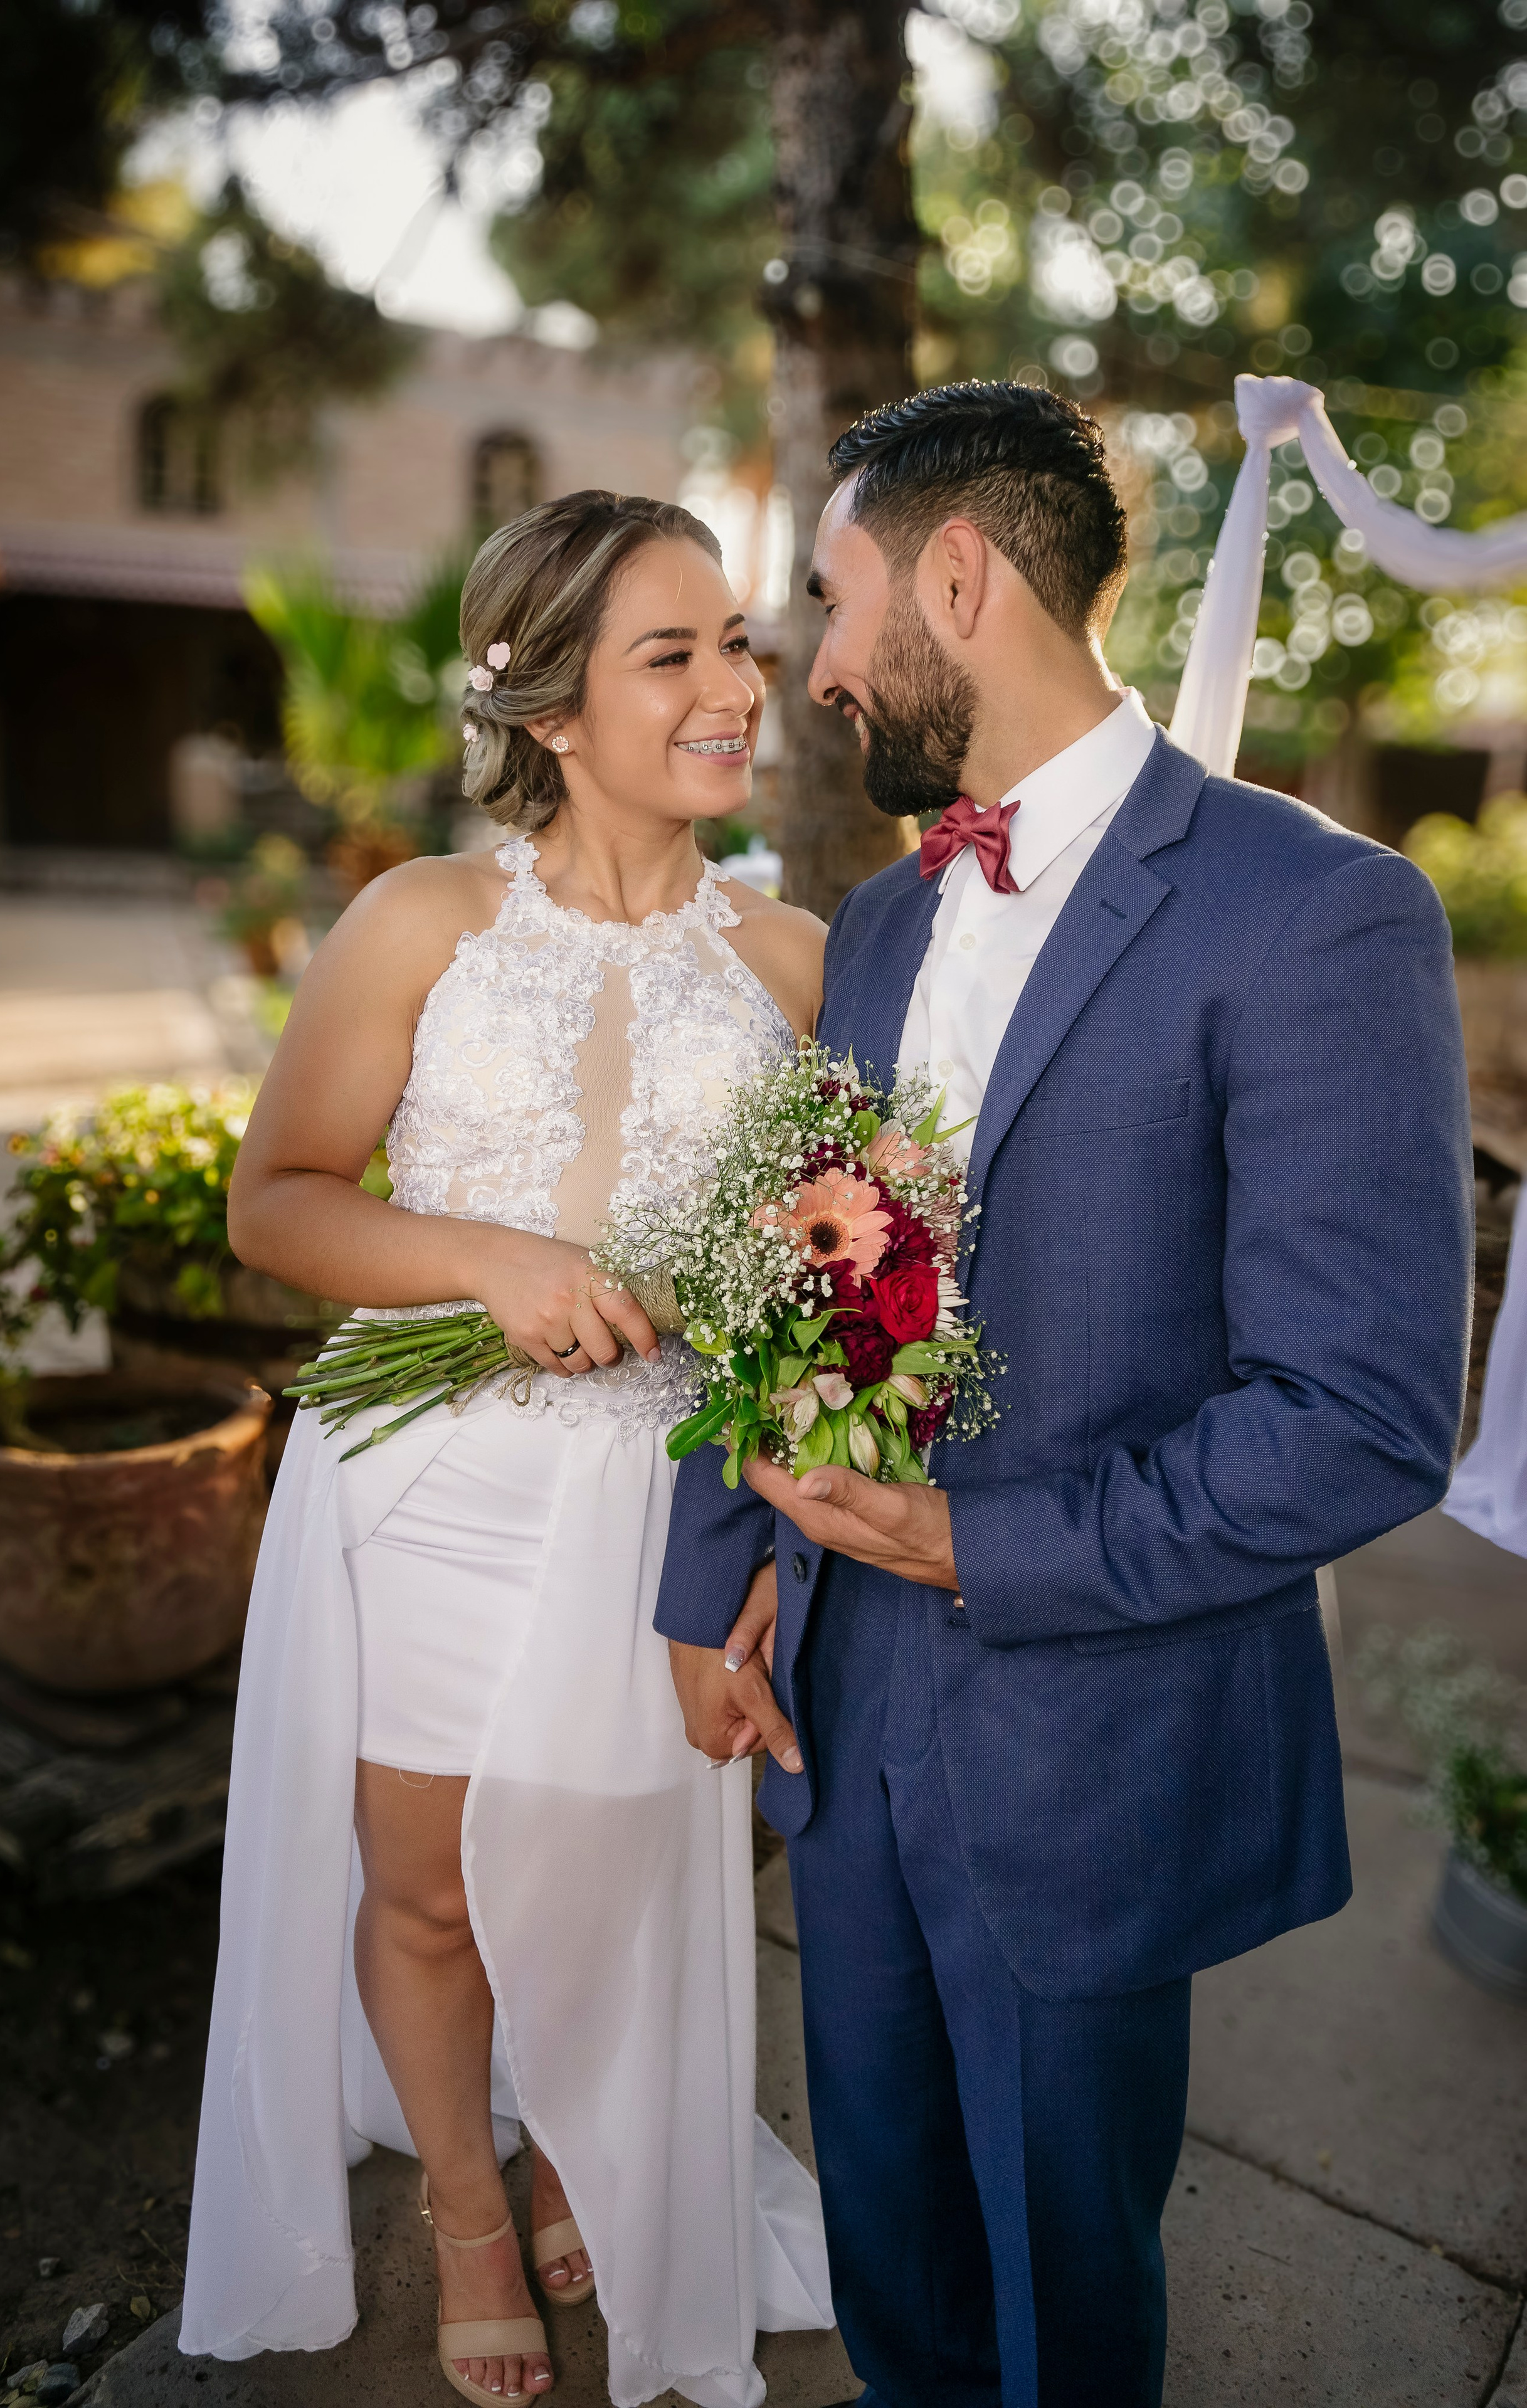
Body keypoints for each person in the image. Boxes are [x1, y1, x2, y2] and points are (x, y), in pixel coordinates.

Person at [655, 382, 1473, 2408]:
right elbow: (811, 1269)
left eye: (837, 604)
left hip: (1091, 1727)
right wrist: (729, 1560)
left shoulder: (1319, 915)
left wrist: (967, 1538)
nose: (821, 672)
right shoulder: (884, 920)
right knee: (893, 2244)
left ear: (962, 576)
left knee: (1063, 2289)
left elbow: (1363, 1411)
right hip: (839, 1700)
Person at [180, 491, 832, 2408]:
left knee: (610, 1876)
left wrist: (786, 1527)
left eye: (740, 645)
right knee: (435, 1888)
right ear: (549, 707)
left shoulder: (798, 961)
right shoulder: (421, 921)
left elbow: (831, 1284)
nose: (737, 686)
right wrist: (487, 1256)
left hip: (670, 1512)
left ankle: (579, 2146)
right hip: (438, 1489)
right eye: (679, 653)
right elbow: (277, 1203)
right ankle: (473, 2202)